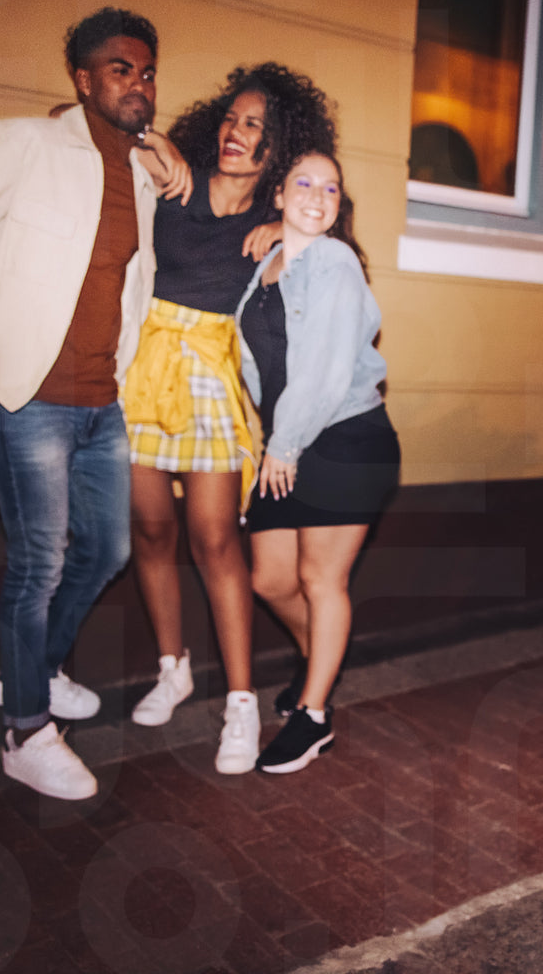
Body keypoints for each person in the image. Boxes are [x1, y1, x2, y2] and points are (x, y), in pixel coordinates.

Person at [0, 8, 184, 801]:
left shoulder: (143, 173)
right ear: (83, 78)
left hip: (103, 401)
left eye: (147, 71)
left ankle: (31, 670)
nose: (138, 83)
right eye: (120, 69)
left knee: (108, 550)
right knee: (39, 563)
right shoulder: (22, 144)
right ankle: (25, 732)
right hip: (25, 395)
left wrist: (159, 146)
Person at [119, 65, 337, 775]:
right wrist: (153, 140)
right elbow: (100, 128)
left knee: (214, 538)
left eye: (254, 126)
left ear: (280, 147)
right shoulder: (175, 182)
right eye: (232, 119)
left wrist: (287, 229)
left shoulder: (275, 219)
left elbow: (330, 244)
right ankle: (172, 667)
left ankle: (240, 704)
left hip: (210, 373)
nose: (235, 133)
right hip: (145, 363)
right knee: (151, 528)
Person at [233, 150, 399, 774]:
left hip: (346, 436)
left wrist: (282, 445)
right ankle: (319, 664)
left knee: (320, 579)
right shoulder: (268, 263)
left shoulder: (334, 261)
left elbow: (325, 368)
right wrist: (273, 442)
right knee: (270, 580)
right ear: (278, 194)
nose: (316, 195)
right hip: (289, 438)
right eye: (303, 183)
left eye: (330, 188)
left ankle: (313, 714)